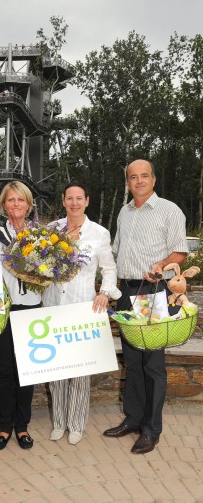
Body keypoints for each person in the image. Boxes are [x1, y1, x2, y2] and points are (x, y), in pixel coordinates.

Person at [103, 159, 188, 454]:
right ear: (127, 182)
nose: (138, 181)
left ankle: (152, 429)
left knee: (152, 364)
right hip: (127, 293)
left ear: (153, 180)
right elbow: (114, 251)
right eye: (132, 177)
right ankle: (133, 419)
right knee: (133, 360)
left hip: (153, 291)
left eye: (144, 176)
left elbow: (180, 253)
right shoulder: (124, 213)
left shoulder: (169, 210)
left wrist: (162, 264)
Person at [43, 181, 121, 445]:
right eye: (69, 198)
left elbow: (110, 269)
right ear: (63, 202)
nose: (74, 203)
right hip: (53, 308)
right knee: (55, 371)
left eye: (79, 198)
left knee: (78, 373)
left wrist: (105, 293)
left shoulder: (98, 233)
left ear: (87, 201)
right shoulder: (51, 229)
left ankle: (75, 424)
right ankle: (59, 421)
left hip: (83, 310)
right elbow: (41, 266)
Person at [0, 181, 41, 450]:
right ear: (3, 205)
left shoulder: (42, 237)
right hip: (5, 310)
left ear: (29, 205)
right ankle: (5, 427)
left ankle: (22, 427)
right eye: (11, 200)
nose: (16, 205)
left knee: (26, 371)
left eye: (21, 200)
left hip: (31, 309)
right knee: (6, 369)